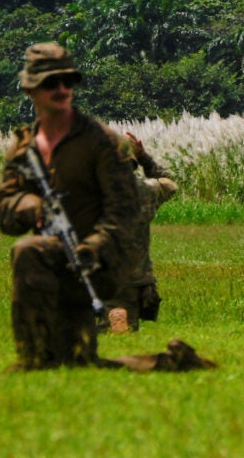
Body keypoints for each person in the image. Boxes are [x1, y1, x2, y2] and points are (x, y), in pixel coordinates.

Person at [0, 43, 139, 371]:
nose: (61, 90)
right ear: (31, 89)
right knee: (28, 249)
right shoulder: (23, 145)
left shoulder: (100, 141)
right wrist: (32, 207)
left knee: (33, 252)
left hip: (100, 263)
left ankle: (46, 357)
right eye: (50, 83)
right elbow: (3, 210)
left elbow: (125, 210)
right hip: (50, 258)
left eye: (67, 82)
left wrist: (95, 245)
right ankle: (36, 357)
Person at [106, 131, 179, 335]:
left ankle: (112, 319)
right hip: (136, 279)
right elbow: (170, 183)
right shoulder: (148, 189)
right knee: (129, 332)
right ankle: (122, 322)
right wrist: (146, 158)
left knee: (99, 332)